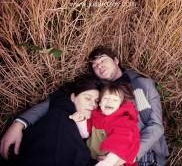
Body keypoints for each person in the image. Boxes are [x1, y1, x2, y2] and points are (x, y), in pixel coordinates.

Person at [0, 46, 169, 166]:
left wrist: (125, 156)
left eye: (103, 60)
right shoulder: (96, 89)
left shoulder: (141, 85)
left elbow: (155, 127)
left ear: (116, 60)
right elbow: (57, 100)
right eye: (94, 65)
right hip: (101, 151)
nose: (99, 66)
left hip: (142, 153)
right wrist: (20, 122)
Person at [17, 77, 101, 166]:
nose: (93, 104)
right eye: (88, 98)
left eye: (97, 101)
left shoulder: (89, 124)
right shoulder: (62, 118)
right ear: (73, 97)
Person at [70, 82, 139, 166]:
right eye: (106, 98)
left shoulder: (123, 121)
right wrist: (80, 121)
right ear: (100, 103)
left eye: (115, 100)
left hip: (115, 161)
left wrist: (107, 162)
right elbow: (85, 134)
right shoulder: (95, 116)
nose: (110, 101)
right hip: (92, 158)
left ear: (119, 105)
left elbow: (120, 144)